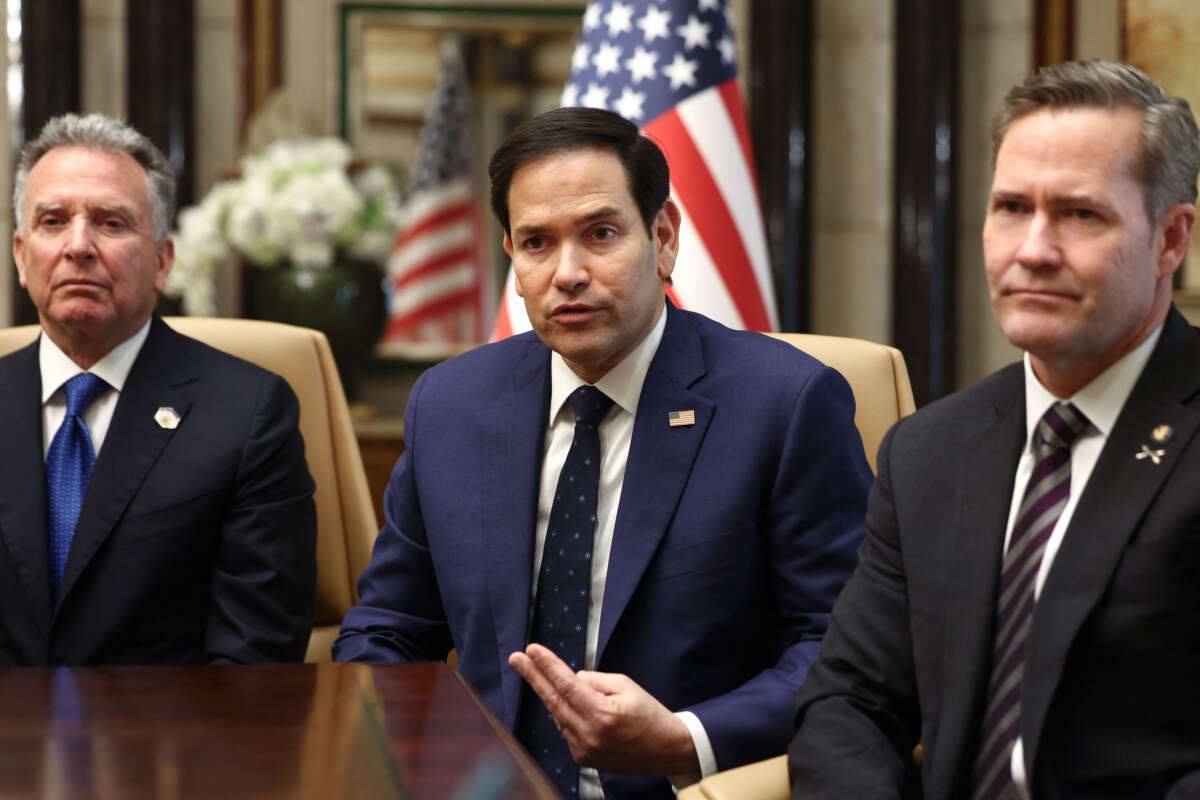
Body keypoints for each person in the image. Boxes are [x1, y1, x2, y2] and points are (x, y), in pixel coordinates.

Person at [334, 107, 871, 798]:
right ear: (512, 257)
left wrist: (686, 736)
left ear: (664, 237)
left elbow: (841, 646)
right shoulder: (451, 406)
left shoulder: (784, 404)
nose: (568, 273)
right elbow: (391, 628)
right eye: (536, 243)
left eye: (601, 234)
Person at [789, 60, 1200, 799]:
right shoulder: (929, 450)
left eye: (1081, 214)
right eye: (1012, 207)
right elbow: (849, 703)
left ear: (1171, 238)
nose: (1033, 250)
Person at [0, 113, 317, 666]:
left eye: (111, 223)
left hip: (164, 746)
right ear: (21, 257)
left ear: (163, 261)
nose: (79, 245)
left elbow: (254, 661)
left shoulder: (247, 415)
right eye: (53, 221)